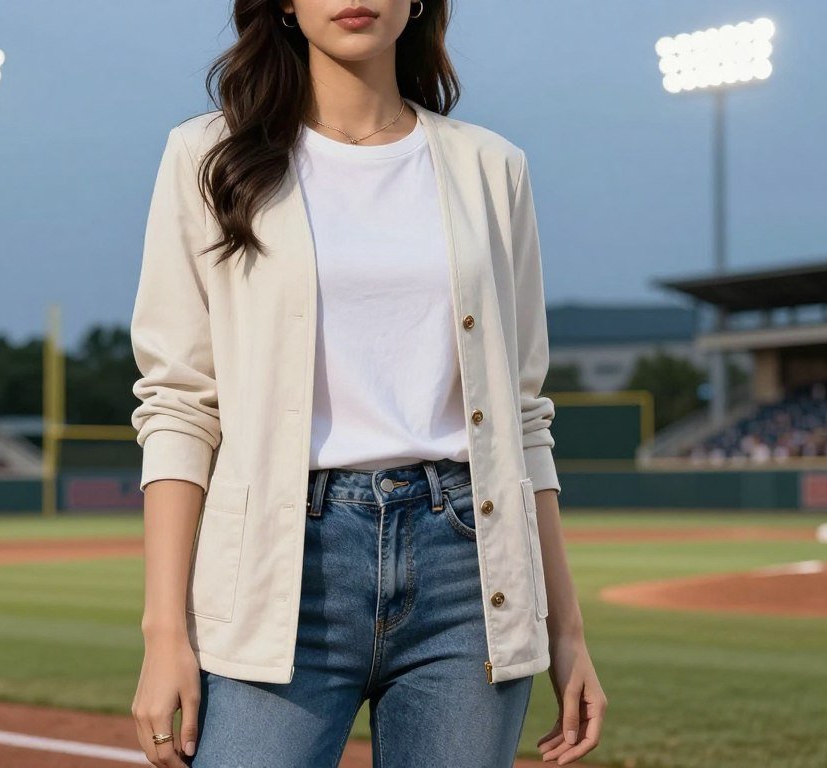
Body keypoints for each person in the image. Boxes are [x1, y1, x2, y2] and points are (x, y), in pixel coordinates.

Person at [128, 2, 607, 766]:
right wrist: (164, 635)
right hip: (280, 572)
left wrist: (567, 633)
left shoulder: (493, 167)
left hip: (468, 570)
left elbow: (522, 416)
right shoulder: (207, 156)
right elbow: (180, 403)